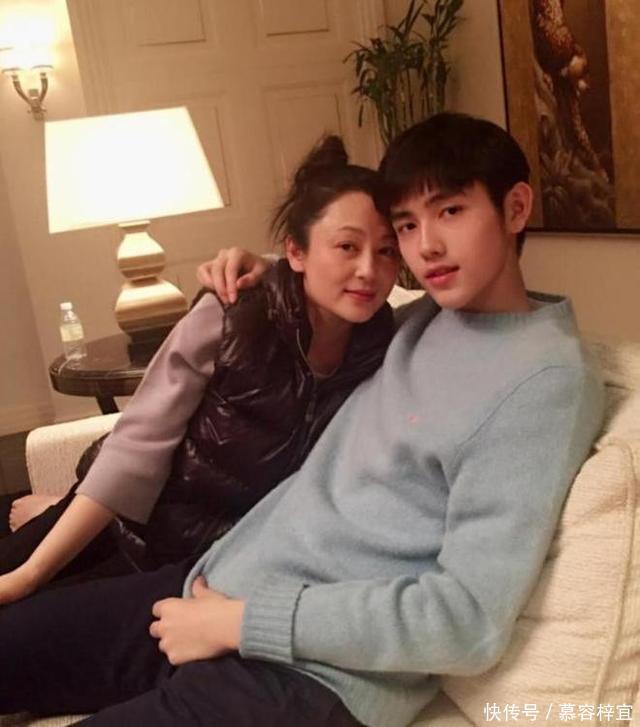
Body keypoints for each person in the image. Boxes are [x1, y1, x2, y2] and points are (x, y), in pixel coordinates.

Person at [0, 113, 604, 727]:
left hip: (305, 676)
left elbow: (467, 621)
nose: (426, 247)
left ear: (516, 208)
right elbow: (332, 282)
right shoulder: (425, 319)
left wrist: (242, 623)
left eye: (450, 211)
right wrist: (269, 268)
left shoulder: (545, 383)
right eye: (407, 225)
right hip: (207, 586)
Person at [0, 135, 398, 597]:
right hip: (122, 518)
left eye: (387, 250)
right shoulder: (234, 314)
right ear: (296, 252)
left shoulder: (386, 344)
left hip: (202, 563)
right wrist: (29, 575)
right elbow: (134, 450)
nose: (369, 270)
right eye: (347, 246)